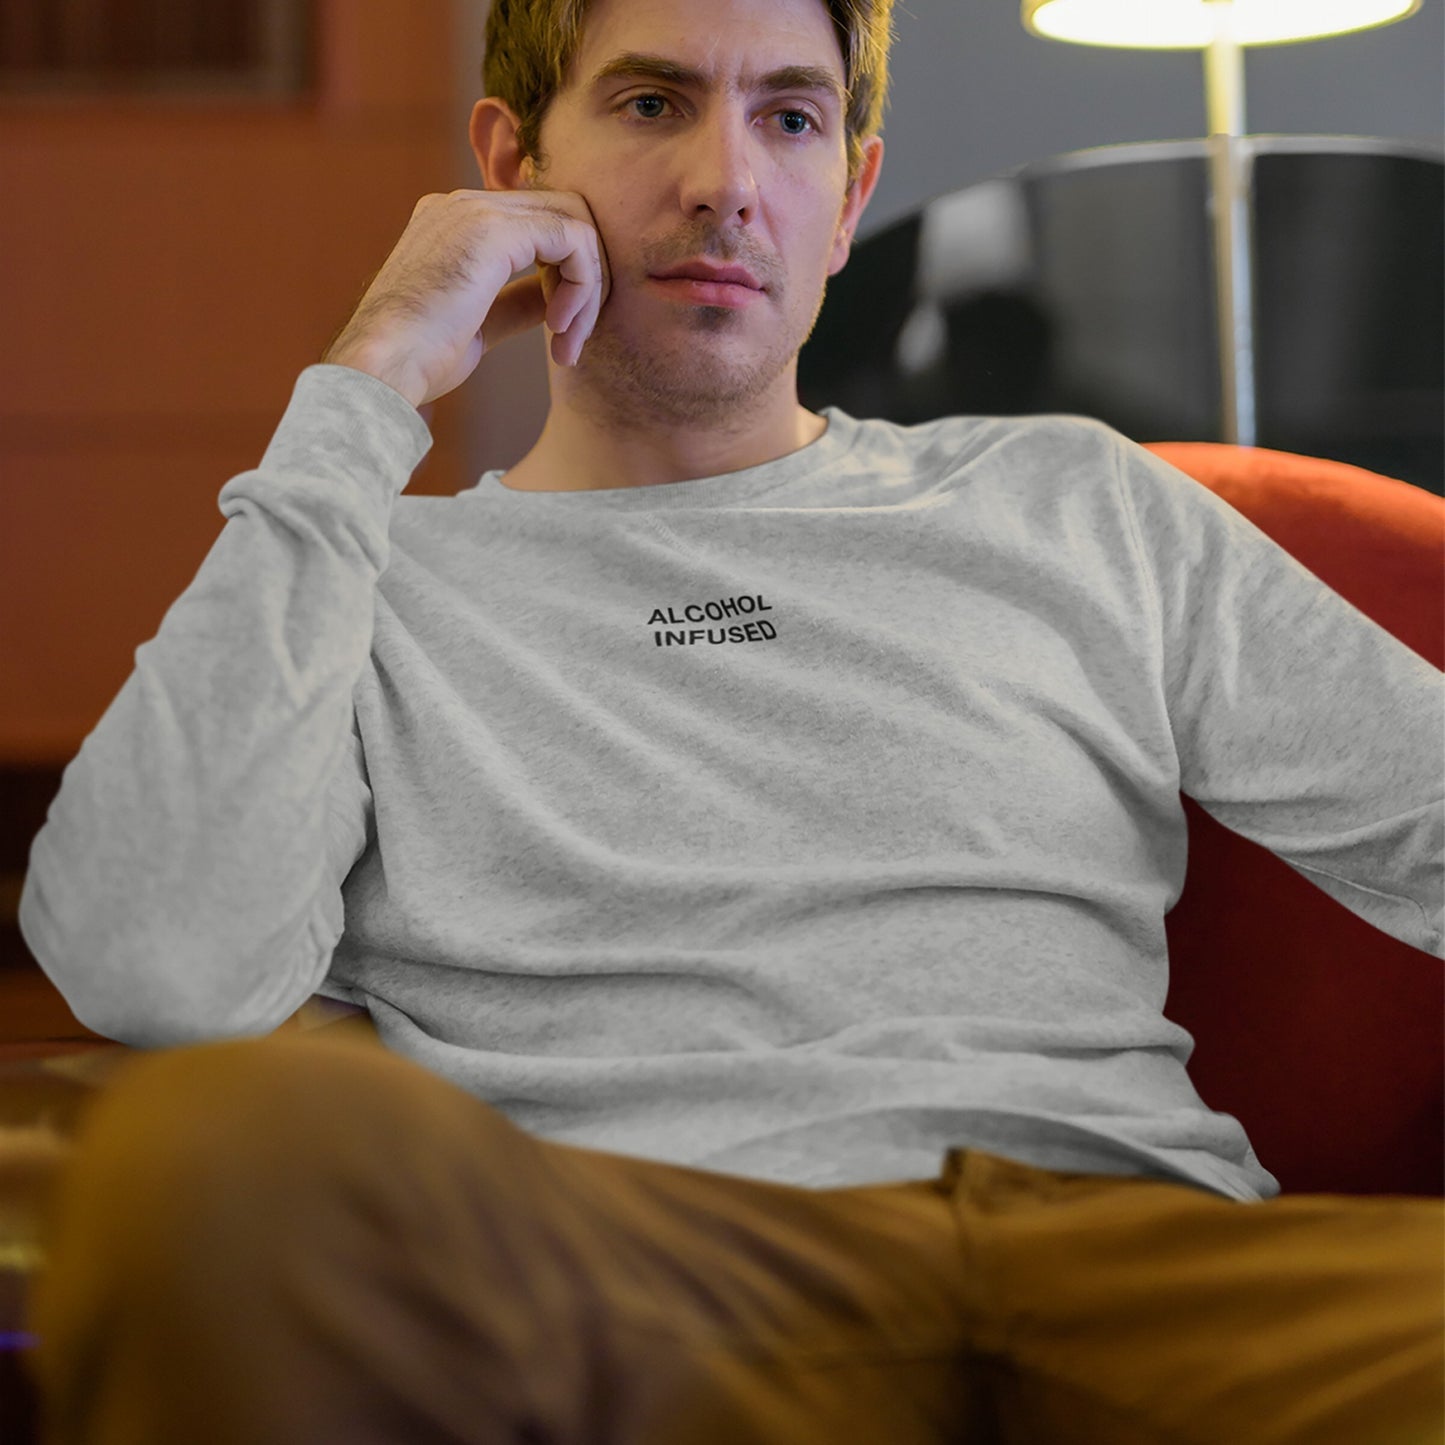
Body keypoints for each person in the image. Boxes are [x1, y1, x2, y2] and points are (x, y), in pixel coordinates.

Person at [16, 0, 1443, 1439]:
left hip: (1147, 1254)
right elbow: (150, 959)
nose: (723, 180)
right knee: (206, 1152)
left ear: (848, 198)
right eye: (649, 105)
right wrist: (373, 372)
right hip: (643, 1270)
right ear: (508, 165)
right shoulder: (362, 585)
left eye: (788, 116)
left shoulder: (1077, 503)